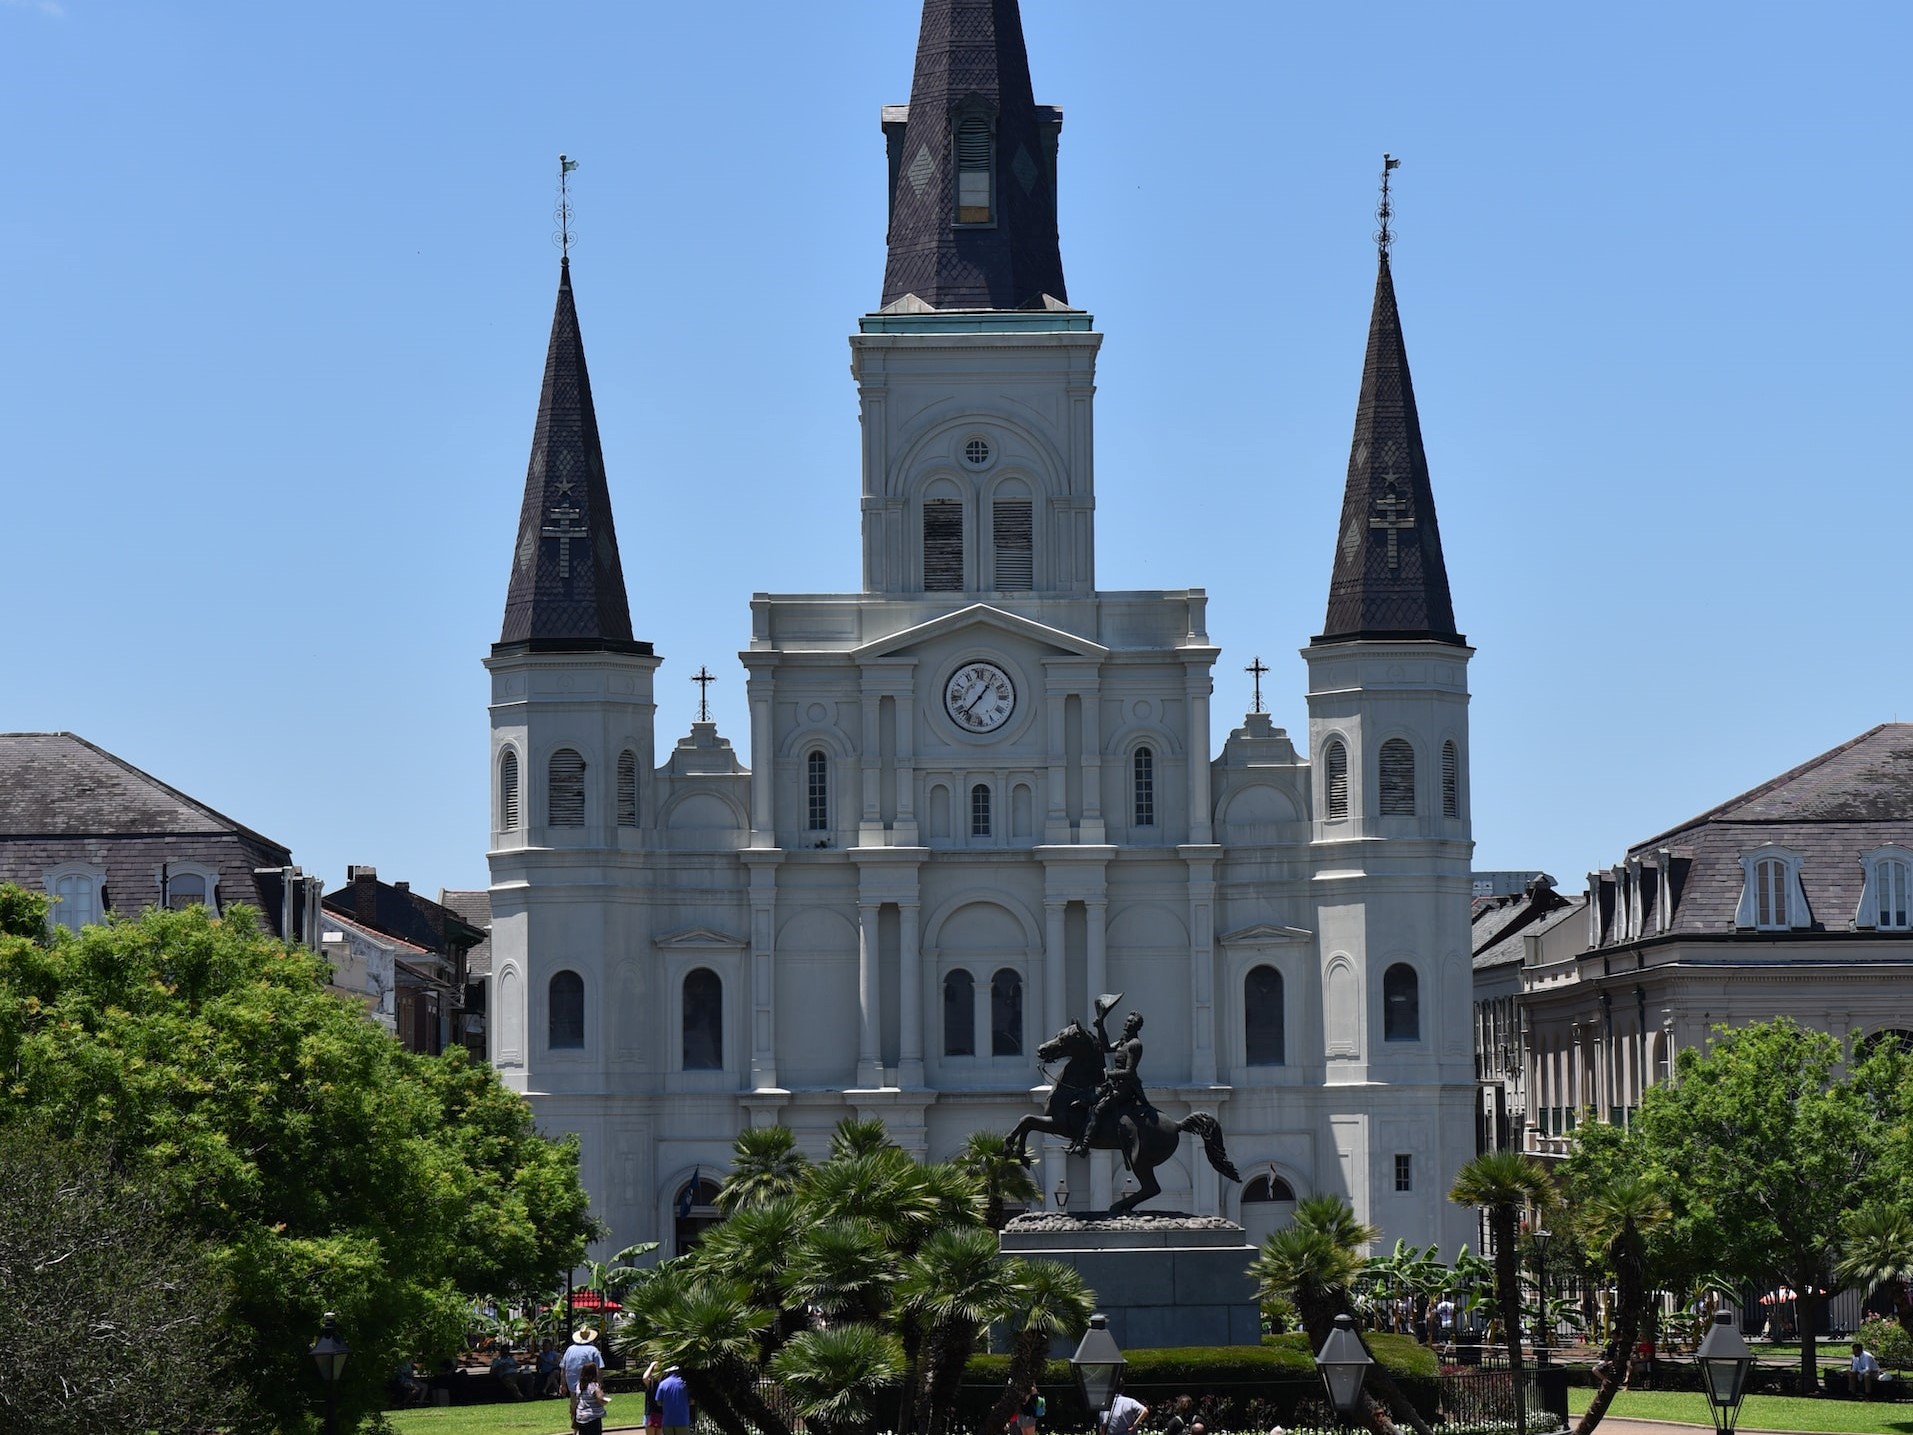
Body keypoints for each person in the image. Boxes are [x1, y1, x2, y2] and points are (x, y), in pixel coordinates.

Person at [1071, 1009, 1146, 1156]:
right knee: (1086, 1098)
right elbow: (1105, 1048)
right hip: (1114, 1084)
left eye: (1130, 1022)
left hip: (1126, 1088)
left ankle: (1085, 1146)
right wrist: (1100, 1027)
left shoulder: (1134, 1045)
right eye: (1127, 1020)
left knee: (1098, 1108)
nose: (1126, 1023)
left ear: (1136, 1026)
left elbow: (1129, 1072)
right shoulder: (1123, 1041)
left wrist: (1108, 1074)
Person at [563, 1325, 606, 1401]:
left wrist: (562, 1384)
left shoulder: (570, 1349)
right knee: (588, 1405)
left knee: (574, 1403)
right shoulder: (593, 1350)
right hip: (588, 1385)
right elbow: (599, 1368)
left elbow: (563, 1368)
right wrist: (600, 1384)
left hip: (571, 1383)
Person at [571, 1358, 610, 1435]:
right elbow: (600, 1399)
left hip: (581, 1416)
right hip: (592, 1417)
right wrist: (606, 1400)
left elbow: (576, 1400)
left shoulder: (579, 1385)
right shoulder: (593, 1386)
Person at [656, 1362, 693, 1435]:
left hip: (668, 1420)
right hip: (682, 1420)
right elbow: (692, 1401)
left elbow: (659, 1402)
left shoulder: (663, 1384)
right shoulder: (684, 1384)